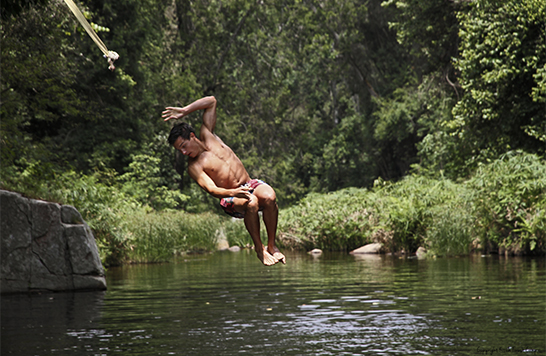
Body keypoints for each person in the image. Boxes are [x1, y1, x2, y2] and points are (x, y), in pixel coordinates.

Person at [162, 96, 286, 266]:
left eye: (184, 146)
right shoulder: (194, 166)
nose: (183, 152)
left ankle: (272, 246)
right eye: (179, 150)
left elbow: (211, 101)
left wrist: (185, 110)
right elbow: (212, 189)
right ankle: (259, 249)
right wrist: (233, 192)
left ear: (192, 136)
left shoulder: (208, 134)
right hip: (229, 197)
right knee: (252, 202)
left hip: (249, 184)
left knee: (270, 197)